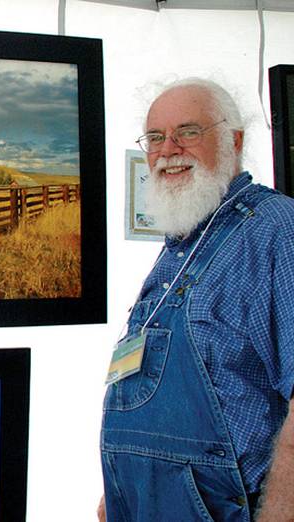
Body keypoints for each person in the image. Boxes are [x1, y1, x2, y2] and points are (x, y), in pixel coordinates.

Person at [99, 78, 294, 521]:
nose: (168, 149)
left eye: (188, 131)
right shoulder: (185, 243)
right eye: (154, 137)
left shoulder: (277, 229)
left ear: (234, 141)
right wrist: (118, 491)